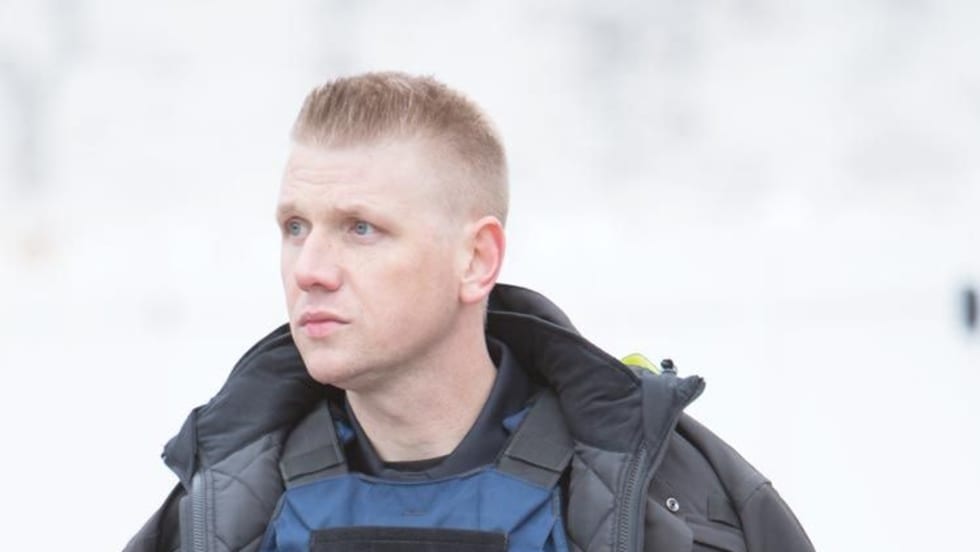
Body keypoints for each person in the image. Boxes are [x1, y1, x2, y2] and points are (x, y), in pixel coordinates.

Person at [125, 72, 814, 552]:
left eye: (361, 228)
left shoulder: (670, 502)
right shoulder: (219, 507)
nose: (309, 269)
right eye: (295, 227)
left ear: (477, 259)